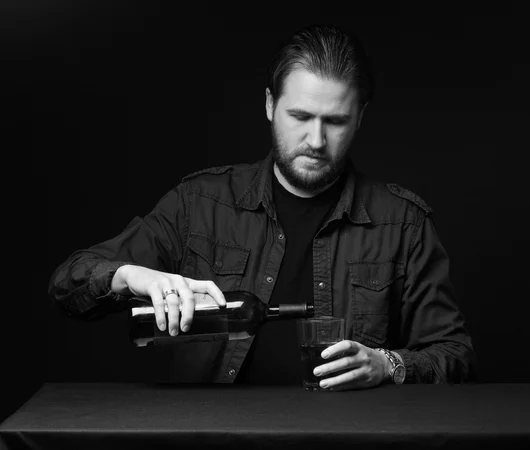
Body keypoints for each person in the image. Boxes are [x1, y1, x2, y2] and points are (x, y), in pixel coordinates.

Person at [48, 23, 477, 389]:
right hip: (213, 439)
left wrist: (389, 365)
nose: (315, 140)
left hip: (347, 438)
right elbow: (68, 285)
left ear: (360, 118)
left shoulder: (404, 223)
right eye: (300, 116)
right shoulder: (200, 203)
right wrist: (128, 274)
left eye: (336, 121)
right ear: (270, 105)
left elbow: (456, 356)